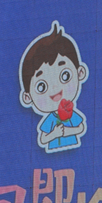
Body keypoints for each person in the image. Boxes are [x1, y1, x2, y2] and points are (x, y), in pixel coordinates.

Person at [19, 21, 89, 153]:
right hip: (51, 157)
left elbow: (80, 128)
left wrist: (68, 131)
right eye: (41, 86)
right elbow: (43, 139)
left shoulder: (70, 114)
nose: (55, 88)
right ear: (28, 97)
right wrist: (54, 134)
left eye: (65, 76)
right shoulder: (50, 119)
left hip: (75, 153)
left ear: (80, 73)